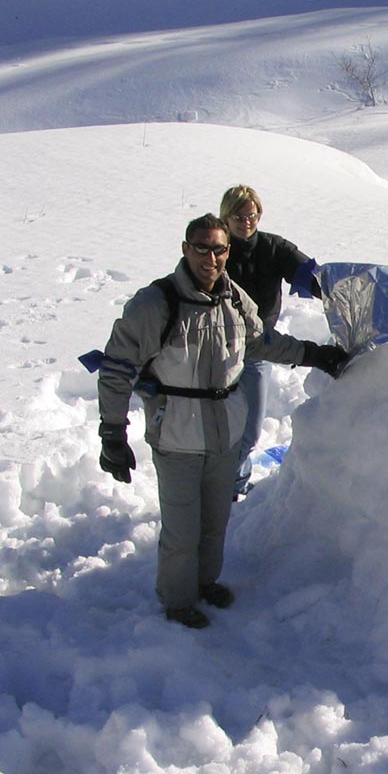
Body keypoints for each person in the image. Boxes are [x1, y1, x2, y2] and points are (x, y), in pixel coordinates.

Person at [96, 214, 347, 629]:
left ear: (228, 251)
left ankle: (204, 582)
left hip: (225, 432)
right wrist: (112, 433)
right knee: (181, 528)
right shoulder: (155, 304)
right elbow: (117, 369)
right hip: (177, 434)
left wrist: (312, 354)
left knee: (215, 521)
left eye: (219, 249)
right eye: (201, 247)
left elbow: (262, 342)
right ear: (185, 249)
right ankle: (177, 601)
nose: (210, 258)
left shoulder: (234, 299)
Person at [219, 184, 323, 499]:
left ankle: (231, 486)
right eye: (238, 215)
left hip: (258, 350)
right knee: (219, 430)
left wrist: (333, 295)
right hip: (216, 352)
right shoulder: (215, 249)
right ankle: (223, 488)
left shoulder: (273, 247)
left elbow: (309, 274)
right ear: (226, 217)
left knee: (249, 432)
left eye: (251, 214)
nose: (246, 221)